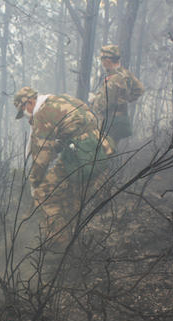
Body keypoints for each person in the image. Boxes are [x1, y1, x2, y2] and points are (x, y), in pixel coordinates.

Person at [14, 87, 113, 251]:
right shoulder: (60, 99)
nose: (25, 115)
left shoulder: (42, 113)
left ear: (30, 102)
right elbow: (80, 123)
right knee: (72, 196)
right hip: (100, 146)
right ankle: (74, 242)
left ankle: (58, 246)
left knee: (44, 194)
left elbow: (41, 156)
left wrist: (34, 183)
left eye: (23, 110)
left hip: (81, 153)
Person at [89, 44, 144, 144]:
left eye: (102, 59)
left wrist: (93, 100)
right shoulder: (124, 73)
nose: (102, 63)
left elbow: (105, 104)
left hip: (111, 122)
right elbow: (140, 89)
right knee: (112, 150)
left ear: (108, 60)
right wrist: (125, 98)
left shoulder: (113, 79)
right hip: (120, 120)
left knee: (105, 153)